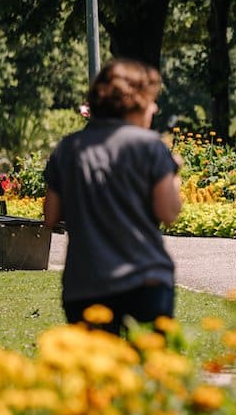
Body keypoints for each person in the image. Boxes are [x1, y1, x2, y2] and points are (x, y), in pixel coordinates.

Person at [43, 58, 183, 333]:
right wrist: (174, 171)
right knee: (149, 372)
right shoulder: (149, 147)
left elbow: (51, 216)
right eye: (151, 100)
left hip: (85, 286)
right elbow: (169, 213)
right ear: (135, 102)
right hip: (145, 281)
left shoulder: (69, 148)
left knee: (98, 374)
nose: (154, 108)